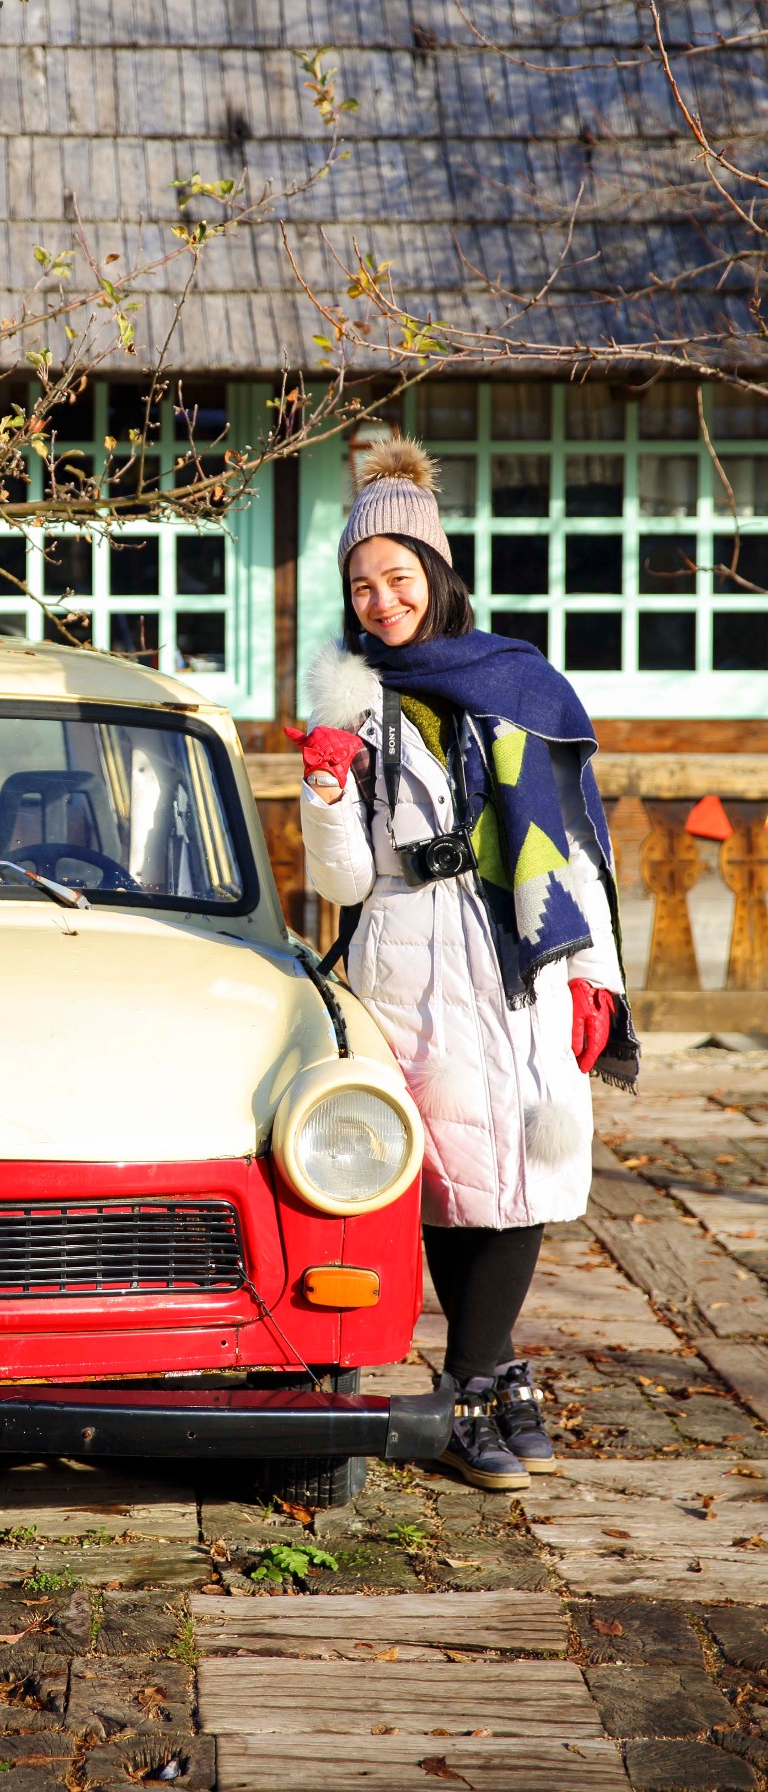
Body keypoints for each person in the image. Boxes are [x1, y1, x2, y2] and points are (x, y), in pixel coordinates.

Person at [289, 435, 638, 1490]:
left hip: (526, 950)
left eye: (397, 577)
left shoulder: (520, 682)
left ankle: (479, 1376)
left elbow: (574, 845)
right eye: (362, 585)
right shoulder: (352, 695)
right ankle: (481, 1384)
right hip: (413, 956)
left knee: (526, 1165)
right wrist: (325, 792)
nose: (382, 601)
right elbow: (344, 881)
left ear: (435, 572)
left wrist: (598, 975)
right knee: (453, 1174)